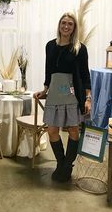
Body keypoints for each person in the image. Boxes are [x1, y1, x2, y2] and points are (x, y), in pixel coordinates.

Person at [34, 12, 91, 182]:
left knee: (73, 129)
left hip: (72, 93)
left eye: (70, 24)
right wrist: (44, 90)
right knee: (52, 130)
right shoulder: (50, 46)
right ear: (59, 25)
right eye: (63, 23)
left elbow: (84, 75)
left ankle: (68, 165)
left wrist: (88, 98)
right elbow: (48, 71)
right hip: (55, 93)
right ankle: (61, 163)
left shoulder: (80, 48)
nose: (66, 26)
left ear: (74, 28)